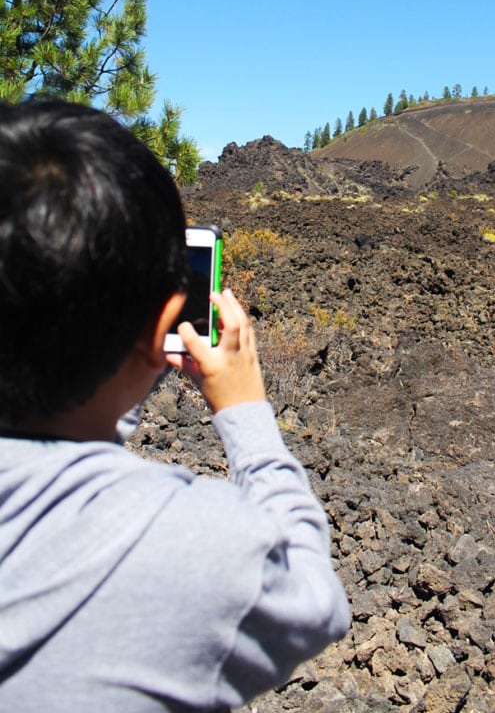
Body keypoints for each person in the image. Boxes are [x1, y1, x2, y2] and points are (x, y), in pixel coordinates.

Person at [0, 100, 350, 712]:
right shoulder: (187, 545)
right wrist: (244, 408)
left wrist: (136, 344)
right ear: (165, 322)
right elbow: (315, 601)